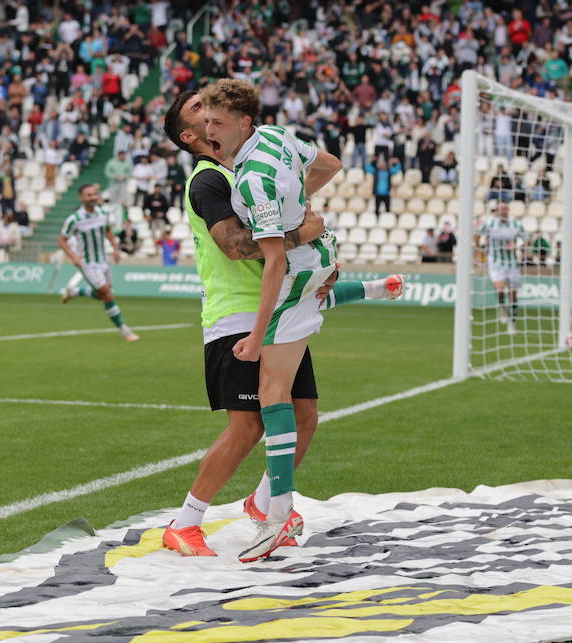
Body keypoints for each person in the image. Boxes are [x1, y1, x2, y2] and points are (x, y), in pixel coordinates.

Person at [160, 88, 403, 560]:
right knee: (248, 426)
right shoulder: (208, 180)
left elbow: (309, 179)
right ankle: (186, 521)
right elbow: (235, 245)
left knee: (305, 413)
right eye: (198, 114)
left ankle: (265, 502)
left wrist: (289, 214)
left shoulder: (248, 166)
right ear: (190, 135)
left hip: (280, 307)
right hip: (238, 314)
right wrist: (300, 232)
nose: (210, 118)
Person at [199, 79, 343, 562]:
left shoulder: (251, 180)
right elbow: (329, 165)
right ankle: (266, 504)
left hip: (297, 275)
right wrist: (295, 205)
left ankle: (277, 516)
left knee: (272, 396)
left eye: (217, 123)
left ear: (242, 123)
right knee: (285, 399)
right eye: (204, 123)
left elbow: (275, 262)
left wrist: (257, 336)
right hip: (320, 259)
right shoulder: (279, 137)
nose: (208, 130)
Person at [58, 182, 139, 342]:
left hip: (103, 260)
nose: (93, 197)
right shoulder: (75, 219)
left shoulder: (102, 212)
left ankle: (75, 292)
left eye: (95, 194)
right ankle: (124, 330)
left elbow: (107, 231)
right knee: (108, 295)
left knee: (103, 293)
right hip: (87, 263)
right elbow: (62, 240)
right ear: (81, 197)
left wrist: (116, 249)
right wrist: (74, 258)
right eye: (89, 195)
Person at [479, 201, 527, 333]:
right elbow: (478, 234)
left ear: (508, 210)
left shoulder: (516, 224)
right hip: (496, 262)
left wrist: (517, 246)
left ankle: (512, 322)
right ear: (497, 211)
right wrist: (477, 253)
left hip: (512, 263)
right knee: (500, 288)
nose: (502, 211)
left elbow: (526, 239)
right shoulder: (490, 224)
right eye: (500, 209)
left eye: (505, 208)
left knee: (513, 293)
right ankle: (501, 308)